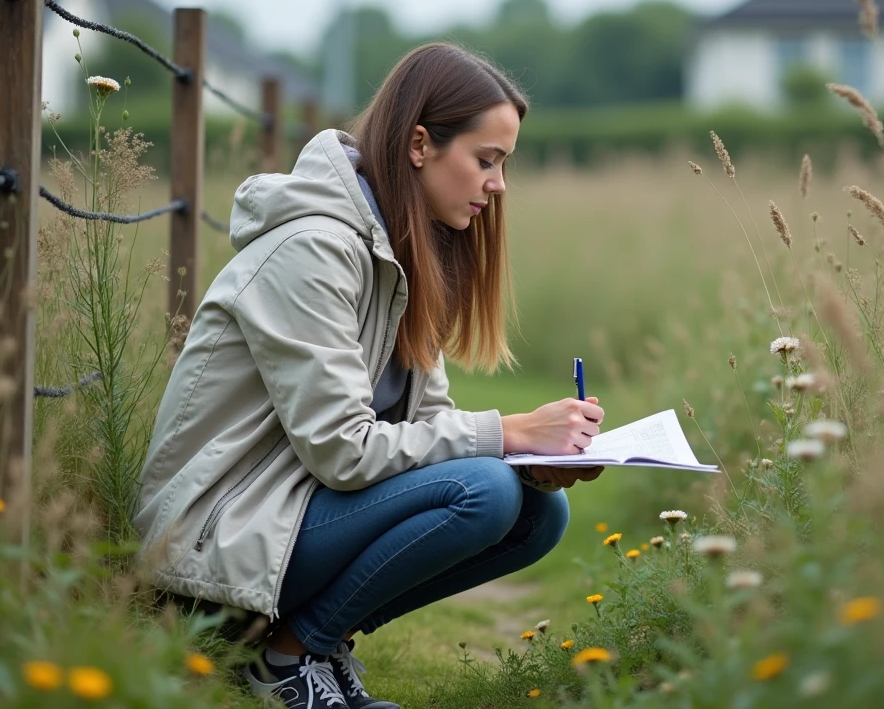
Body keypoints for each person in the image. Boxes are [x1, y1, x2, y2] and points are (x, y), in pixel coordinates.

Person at [134, 42, 606, 708]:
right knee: (487, 493)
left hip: (291, 515)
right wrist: (508, 432)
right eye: (487, 160)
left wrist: (528, 455)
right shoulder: (314, 249)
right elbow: (343, 450)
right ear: (420, 144)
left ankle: (313, 646)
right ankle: (286, 663)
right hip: (214, 537)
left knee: (538, 510)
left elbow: (426, 423)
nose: (498, 186)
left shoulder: (405, 248)